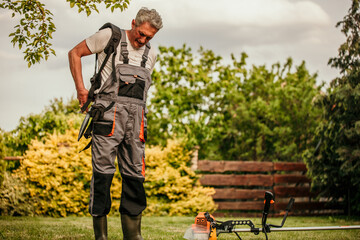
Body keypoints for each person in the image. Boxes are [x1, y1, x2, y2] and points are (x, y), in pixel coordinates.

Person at [68, 7, 163, 240]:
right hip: (108, 118)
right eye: (140, 34)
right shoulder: (110, 37)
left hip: (137, 121)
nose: (142, 40)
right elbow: (74, 53)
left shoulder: (151, 54)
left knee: (135, 177)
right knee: (103, 175)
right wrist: (81, 89)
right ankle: (101, 236)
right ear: (133, 23)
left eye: (148, 37)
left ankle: (133, 236)